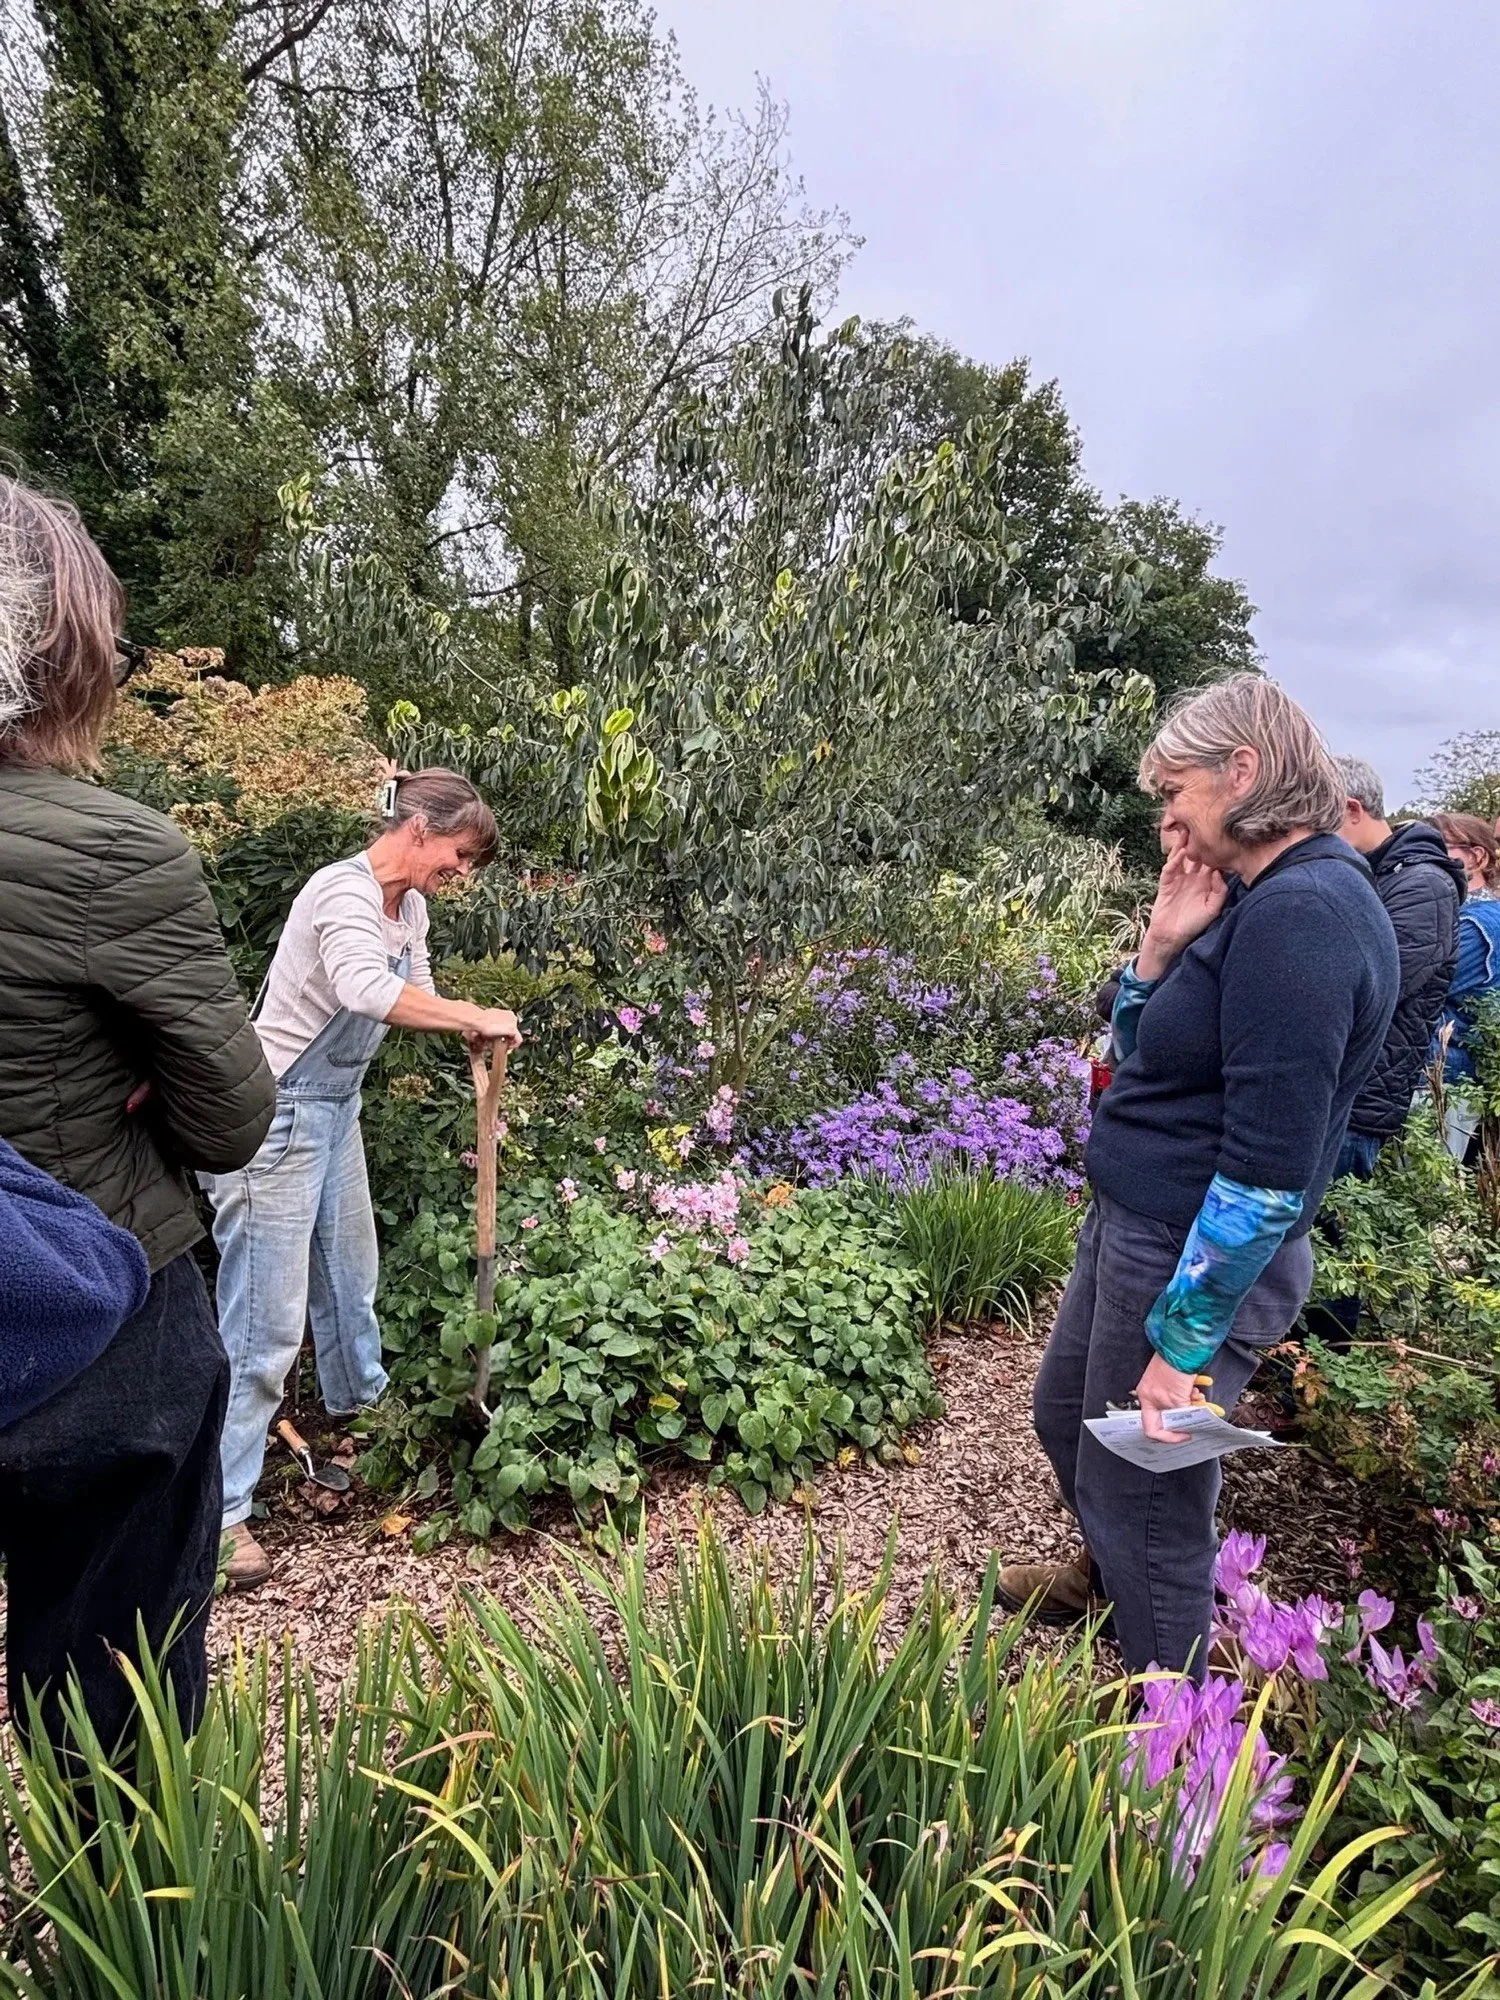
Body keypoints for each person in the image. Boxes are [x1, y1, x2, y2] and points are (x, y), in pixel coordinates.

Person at [998, 675, 1398, 1680]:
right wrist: (1159, 949)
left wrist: (1181, 1346)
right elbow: (1152, 1058)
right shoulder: (1258, 900)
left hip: (1193, 1253)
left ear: (1244, 772)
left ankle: (1170, 1743)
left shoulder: (1303, 917)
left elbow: (1266, 1174)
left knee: (1149, 1491)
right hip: (1140, 1223)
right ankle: (1106, 1580)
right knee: (1067, 1419)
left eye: (1175, 787)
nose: (1165, 812)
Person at [0, 475, 276, 1750]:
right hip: (96, 1307)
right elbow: (230, 1118)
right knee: (115, 1684)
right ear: (63, 652)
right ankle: (122, 1934)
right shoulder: (113, 850)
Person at [204, 768, 522, 1589]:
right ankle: (216, 1513)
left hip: (333, 1108)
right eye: (457, 855)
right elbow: (360, 987)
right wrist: (473, 1015)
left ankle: (359, 1412)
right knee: (262, 1328)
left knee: (351, 1276)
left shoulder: (406, 907)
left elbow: (409, 990)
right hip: (273, 1113)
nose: (460, 875)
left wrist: (457, 1023)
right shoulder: (339, 892)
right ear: (418, 829)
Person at [1331, 757, 1464, 1177]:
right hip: (1340, 1090)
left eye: (1319, 818)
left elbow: (1373, 985)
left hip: (1361, 1101)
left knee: (1331, 1234)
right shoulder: (1375, 872)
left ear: (1353, 811)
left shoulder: (1424, 885)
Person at [1428, 812, 1500, 1160]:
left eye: (1440, 848)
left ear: (1477, 856)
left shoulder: (1480, 923)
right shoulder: (1459, 914)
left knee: (1427, 1194)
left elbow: (1423, 985)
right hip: (1443, 1076)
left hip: (1448, 1078)